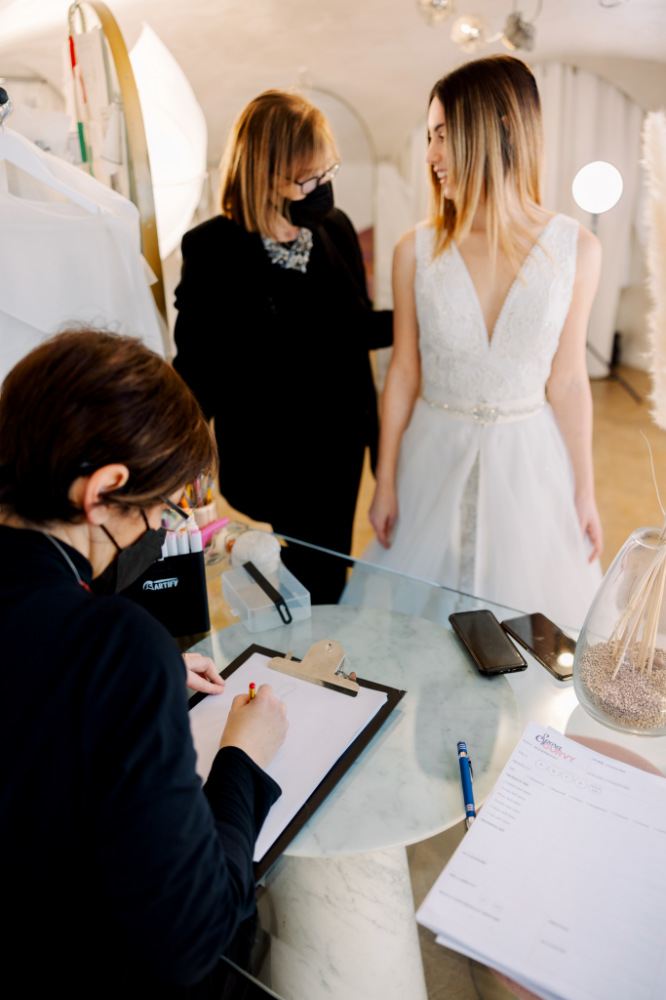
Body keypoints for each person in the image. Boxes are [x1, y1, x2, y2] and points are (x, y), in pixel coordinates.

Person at [0, 329, 289, 998]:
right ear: (102, 491)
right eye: (160, 510)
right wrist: (241, 759)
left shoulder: (102, 646)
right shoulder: (117, 645)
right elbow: (191, 936)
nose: (160, 533)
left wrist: (136, 682)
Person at [356, 56, 603, 628]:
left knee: (533, 643)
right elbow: (404, 373)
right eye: (429, 136)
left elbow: (567, 380)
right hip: (432, 457)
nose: (430, 155)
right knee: (419, 630)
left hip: (530, 461)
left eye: (442, 135)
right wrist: (386, 480)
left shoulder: (577, 250)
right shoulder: (414, 250)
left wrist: (584, 491)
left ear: (493, 130)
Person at [173, 90, 391, 604]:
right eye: (308, 178)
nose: (323, 187)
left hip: (340, 442)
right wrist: (179, 461)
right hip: (274, 450)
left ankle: (311, 660)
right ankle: (300, 665)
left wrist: (422, 319)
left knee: (328, 570)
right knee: (303, 576)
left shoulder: (332, 229)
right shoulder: (213, 249)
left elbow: (354, 329)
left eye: (327, 170)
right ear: (267, 173)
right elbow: (198, 369)